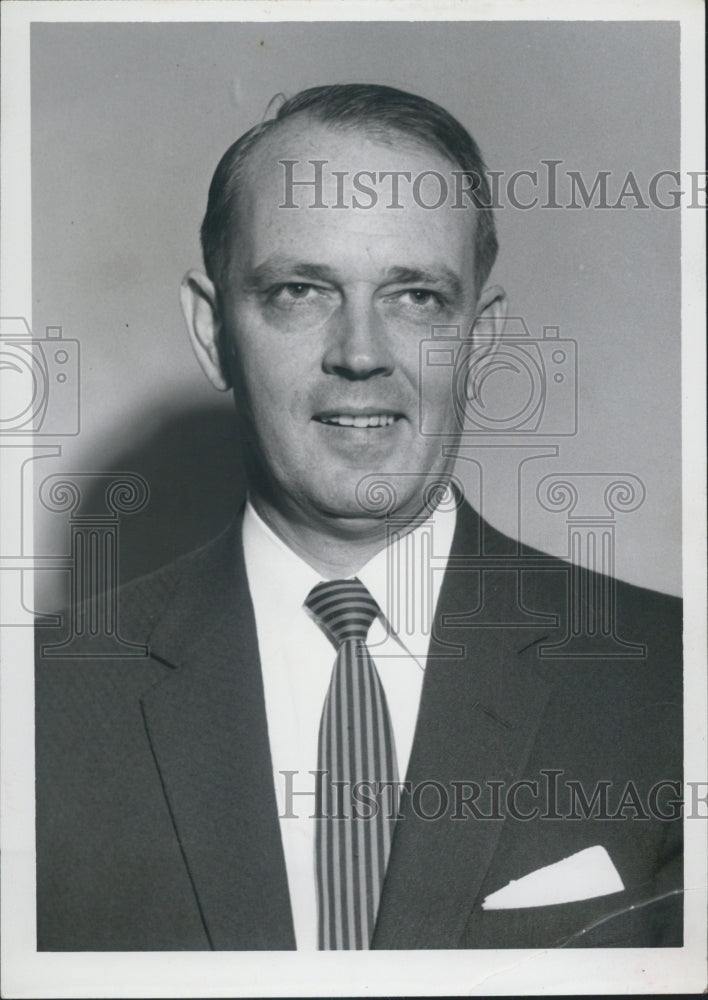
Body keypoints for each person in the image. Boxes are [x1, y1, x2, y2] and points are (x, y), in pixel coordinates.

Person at [35, 84, 682, 951]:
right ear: (212, 330)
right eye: (301, 290)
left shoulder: (674, 686)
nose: (362, 354)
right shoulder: (34, 707)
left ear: (479, 338)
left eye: (416, 297)